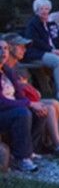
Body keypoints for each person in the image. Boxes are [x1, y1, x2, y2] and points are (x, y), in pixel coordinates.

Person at [3, 33, 59, 157]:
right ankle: (57, 145)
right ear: (11, 47)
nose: (25, 49)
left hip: (19, 101)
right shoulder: (6, 67)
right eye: (21, 46)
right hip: (12, 105)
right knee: (48, 108)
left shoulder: (15, 66)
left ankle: (47, 142)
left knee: (54, 103)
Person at [0, 38, 47, 172]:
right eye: (0, 48)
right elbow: (1, 102)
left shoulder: (7, 70)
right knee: (23, 113)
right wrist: (29, 103)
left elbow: (19, 94)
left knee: (41, 111)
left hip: (10, 107)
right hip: (3, 110)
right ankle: (22, 158)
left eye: (5, 48)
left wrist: (31, 104)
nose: (3, 51)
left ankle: (29, 149)